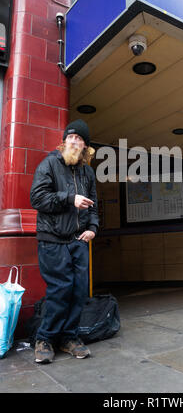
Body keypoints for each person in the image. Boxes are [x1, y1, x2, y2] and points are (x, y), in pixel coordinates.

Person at [30, 119, 99, 363]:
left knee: (79, 292)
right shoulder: (49, 163)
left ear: (85, 146)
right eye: (70, 137)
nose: (74, 141)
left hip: (78, 240)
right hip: (53, 240)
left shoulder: (87, 171)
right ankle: (45, 339)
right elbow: (37, 198)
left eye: (79, 139)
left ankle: (69, 338)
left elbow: (93, 205)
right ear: (64, 141)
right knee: (60, 291)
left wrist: (93, 228)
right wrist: (69, 198)